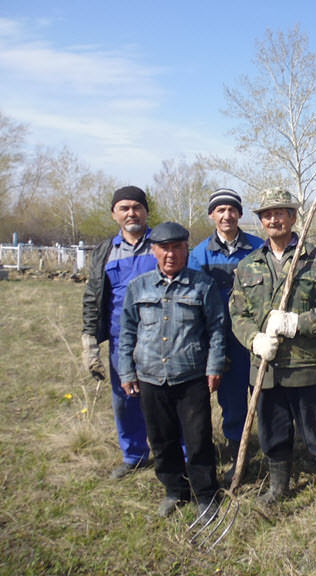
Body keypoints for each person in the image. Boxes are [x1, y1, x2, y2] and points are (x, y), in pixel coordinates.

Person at [229, 188, 316, 519]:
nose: (273, 218)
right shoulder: (248, 265)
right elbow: (237, 314)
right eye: (267, 214)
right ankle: (278, 486)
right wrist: (253, 339)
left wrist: (298, 322)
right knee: (272, 430)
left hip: (306, 367)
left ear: (294, 216)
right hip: (265, 369)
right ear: (261, 221)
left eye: (281, 212)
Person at [117, 222, 225, 520]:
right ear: (153, 250)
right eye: (164, 248)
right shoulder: (138, 287)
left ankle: (206, 494)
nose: (171, 254)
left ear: (186, 249)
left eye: (177, 247)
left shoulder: (203, 285)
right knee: (161, 439)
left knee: (198, 438)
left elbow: (217, 329)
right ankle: (174, 490)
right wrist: (126, 371)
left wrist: (214, 366)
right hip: (150, 376)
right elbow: (126, 332)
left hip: (191, 375)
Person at [81, 185, 156, 479]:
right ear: (114, 214)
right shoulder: (105, 252)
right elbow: (93, 296)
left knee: (167, 399)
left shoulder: (162, 244)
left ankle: (179, 454)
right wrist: (89, 340)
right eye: (124, 208)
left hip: (162, 338)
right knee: (125, 399)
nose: (131, 213)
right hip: (120, 340)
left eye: (137, 207)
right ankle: (134, 455)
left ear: (146, 212)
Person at [188, 188, 264, 478]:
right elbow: (196, 300)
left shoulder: (258, 247)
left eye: (232, 209)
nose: (227, 215)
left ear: (240, 214)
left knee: (264, 395)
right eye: (220, 210)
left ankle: (274, 449)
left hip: (256, 337)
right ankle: (238, 454)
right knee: (232, 400)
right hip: (223, 340)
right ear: (212, 215)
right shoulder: (200, 255)